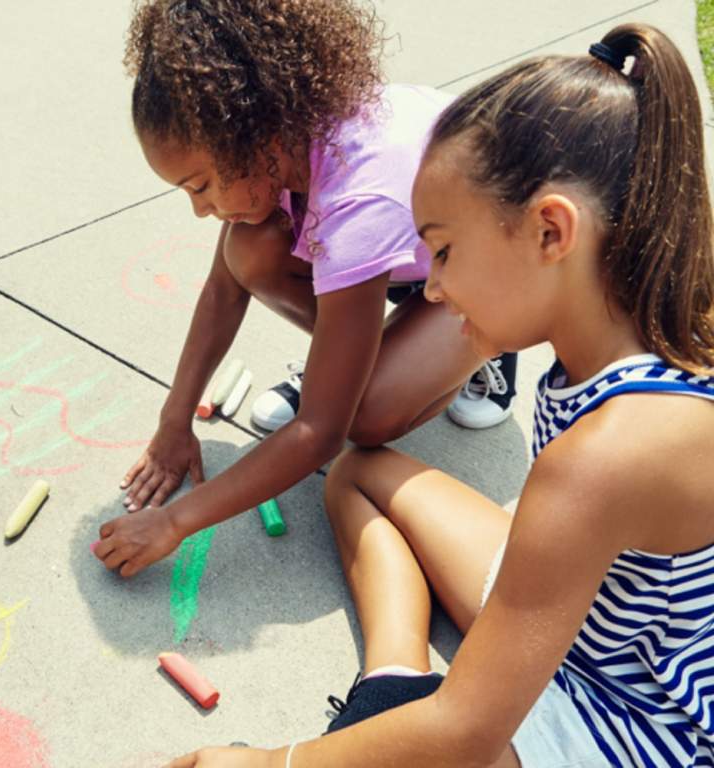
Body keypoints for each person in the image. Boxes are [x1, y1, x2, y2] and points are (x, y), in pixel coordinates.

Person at [161, 22, 714, 768]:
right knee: (361, 473)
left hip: (638, 728)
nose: (435, 288)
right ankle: (397, 671)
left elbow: (465, 734)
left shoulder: (603, 459)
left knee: (428, 742)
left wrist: (270, 762)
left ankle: (395, 698)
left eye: (445, 252)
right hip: (599, 630)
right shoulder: (641, 342)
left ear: (551, 232)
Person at [92, 0, 520, 577]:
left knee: (362, 415)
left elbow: (320, 434)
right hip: (413, 255)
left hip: (496, 267)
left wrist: (174, 522)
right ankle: (344, 366)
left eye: (200, 186)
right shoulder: (284, 141)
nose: (199, 210)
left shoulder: (359, 196)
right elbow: (225, 289)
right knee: (249, 249)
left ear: (255, 138)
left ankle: (488, 347)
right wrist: (174, 423)